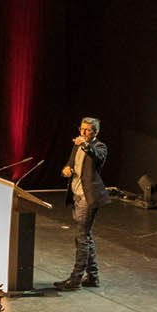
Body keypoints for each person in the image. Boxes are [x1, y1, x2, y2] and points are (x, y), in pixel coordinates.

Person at [58, 115, 108, 290]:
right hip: (76, 195)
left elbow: (97, 157)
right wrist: (66, 170)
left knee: (81, 237)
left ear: (95, 132)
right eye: (81, 129)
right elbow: (71, 165)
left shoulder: (99, 147)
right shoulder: (76, 146)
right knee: (85, 236)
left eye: (87, 130)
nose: (83, 132)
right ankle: (93, 277)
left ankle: (76, 278)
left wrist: (84, 144)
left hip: (88, 198)